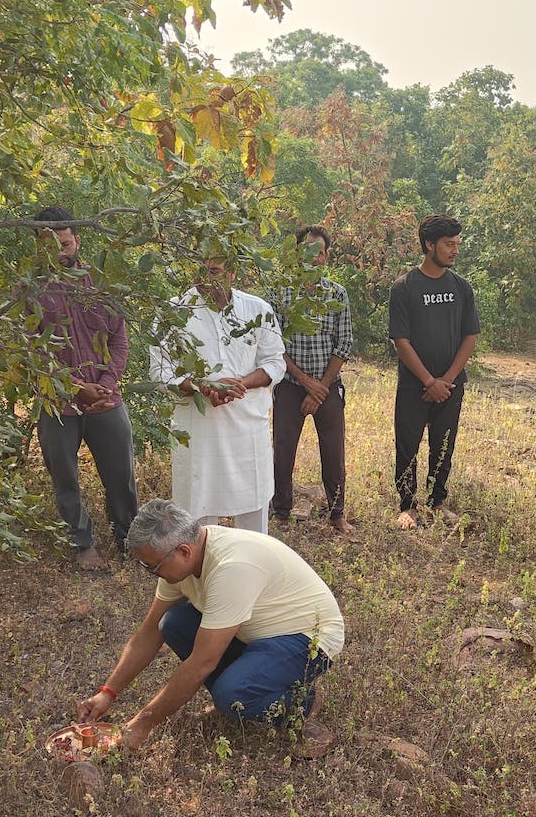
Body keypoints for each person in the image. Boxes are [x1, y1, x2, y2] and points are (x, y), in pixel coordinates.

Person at [78, 499, 344, 747]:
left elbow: (201, 663)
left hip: (308, 639)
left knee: (233, 695)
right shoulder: (187, 556)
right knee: (173, 623)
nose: (152, 574)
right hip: (259, 634)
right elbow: (148, 634)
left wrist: (141, 725)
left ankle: (302, 702)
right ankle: (243, 686)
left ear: (183, 551)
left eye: (153, 567)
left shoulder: (232, 568)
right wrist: (107, 692)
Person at [30, 206, 138, 571]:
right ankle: (83, 545)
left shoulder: (103, 285)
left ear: (77, 240)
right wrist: (77, 388)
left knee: (121, 474)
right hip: (57, 403)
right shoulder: (30, 293)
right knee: (65, 476)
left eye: (65, 242)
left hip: (107, 400)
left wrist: (105, 385)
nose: (61, 251)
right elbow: (30, 352)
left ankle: (129, 538)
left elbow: (119, 340)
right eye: (51, 246)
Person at [150, 256, 286, 535]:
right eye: (201, 270)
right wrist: (205, 387)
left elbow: (275, 362)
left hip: (247, 425)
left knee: (254, 509)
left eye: (214, 271)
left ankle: (251, 569)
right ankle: (202, 571)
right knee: (197, 511)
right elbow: (160, 372)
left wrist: (241, 384)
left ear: (233, 272)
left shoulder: (257, 309)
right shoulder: (174, 312)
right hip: (198, 429)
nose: (206, 279)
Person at [388, 214, 480, 530]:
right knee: (408, 446)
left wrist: (446, 381)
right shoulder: (403, 288)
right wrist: (428, 381)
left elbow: (470, 336)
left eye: (457, 244)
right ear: (430, 245)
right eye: (448, 244)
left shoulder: (462, 288)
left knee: (444, 446)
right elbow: (401, 340)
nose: (455, 250)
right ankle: (407, 506)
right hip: (413, 387)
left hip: (450, 386)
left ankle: (438, 503)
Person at [271, 226, 355, 533]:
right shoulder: (278, 293)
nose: (313, 259)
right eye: (307, 252)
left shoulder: (337, 294)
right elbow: (274, 346)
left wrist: (320, 389)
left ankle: (336, 514)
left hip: (329, 387)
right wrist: (306, 383)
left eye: (318, 252)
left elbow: (343, 344)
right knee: (283, 448)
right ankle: (281, 511)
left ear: (326, 256)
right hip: (291, 386)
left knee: (333, 451)